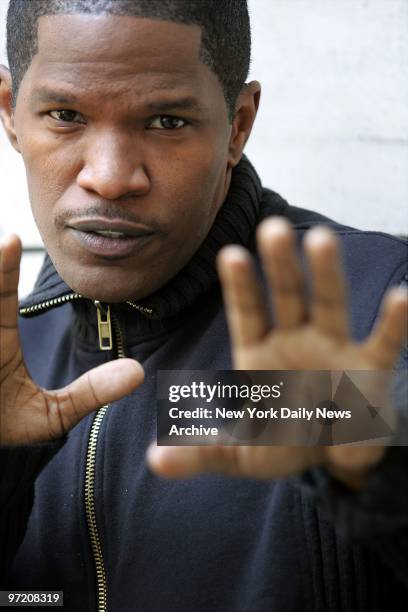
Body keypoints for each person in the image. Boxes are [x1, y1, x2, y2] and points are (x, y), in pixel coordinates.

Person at [0, 1, 407, 610]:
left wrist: (375, 475)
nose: (111, 177)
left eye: (166, 121)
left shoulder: (378, 304)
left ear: (238, 124)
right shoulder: (14, 357)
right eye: (65, 115)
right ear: (10, 113)